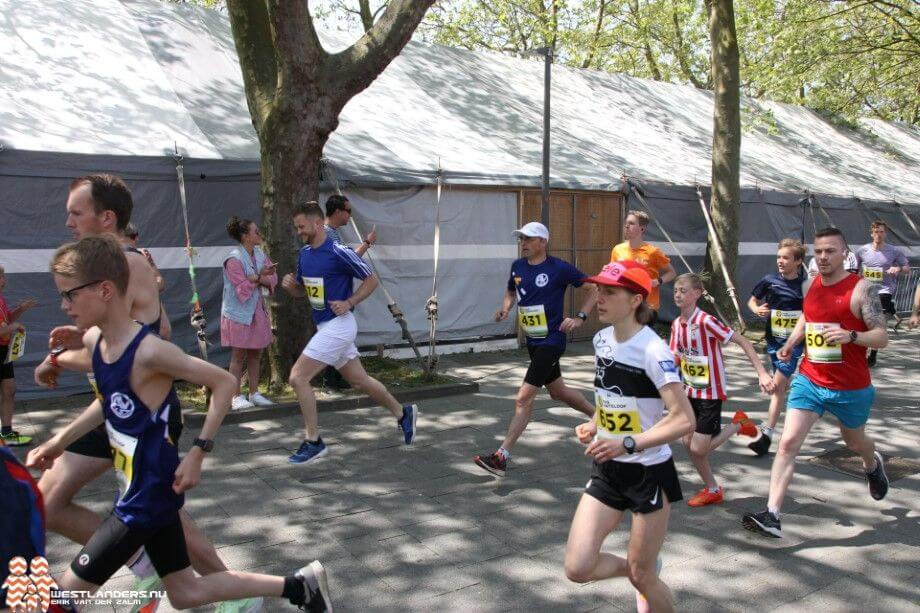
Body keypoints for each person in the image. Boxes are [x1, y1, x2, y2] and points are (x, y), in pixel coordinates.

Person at [26, 236, 332, 611]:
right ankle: (301, 587)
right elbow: (111, 401)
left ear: (104, 290)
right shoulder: (96, 341)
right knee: (185, 591)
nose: (64, 305)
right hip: (137, 489)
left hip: (145, 498)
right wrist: (58, 437)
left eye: (69, 295)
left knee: (60, 598)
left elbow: (225, 382)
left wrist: (199, 452)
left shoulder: (151, 352)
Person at [32, 174, 251, 612]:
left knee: (153, 511)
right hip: (116, 404)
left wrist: (61, 357)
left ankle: (224, 591)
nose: (69, 221)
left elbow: (139, 341)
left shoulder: (125, 265)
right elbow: (154, 330)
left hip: (136, 411)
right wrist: (78, 343)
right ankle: (172, 575)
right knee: (151, 513)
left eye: (77, 212)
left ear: (105, 216)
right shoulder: (110, 265)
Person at [563, 261, 694, 613]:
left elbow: (684, 420)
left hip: (648, 472)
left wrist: (628, 442)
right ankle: (642, 572)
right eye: (598, 290)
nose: (599, 298)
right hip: (607, 468)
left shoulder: (654, 351)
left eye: (609, 292)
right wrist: (597, 423)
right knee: (577, 567)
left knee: (642, 576)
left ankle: (644, 576)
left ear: (636, 299)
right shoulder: (601, 339)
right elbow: (618, 397)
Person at [743, 227, 889, 538]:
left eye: (830, 251)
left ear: (845, 254)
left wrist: (852, 336)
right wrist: (791, 342)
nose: (822, 257)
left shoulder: (862, 289)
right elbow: (807, 317)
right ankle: (772, 514)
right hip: (810, 378)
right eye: (818, 251)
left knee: (854, 442)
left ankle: (871, 464)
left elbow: (882, 336)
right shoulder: (810, 285)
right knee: (787, 444)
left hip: (850, 386)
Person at [281, 202, 417, 464]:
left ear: (318, 223)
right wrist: (291, 287)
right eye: (296, 227)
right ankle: (403, 413)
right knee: (359, 381)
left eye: (301, 226)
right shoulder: (305, 255)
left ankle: (313, 441)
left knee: (298, 378)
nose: (299, 232)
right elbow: (303, 291)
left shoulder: (338, 252)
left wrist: (350, 302)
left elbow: (372, 279)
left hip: (339, 325)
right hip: (326, 326)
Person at [473, 222, 597, 477]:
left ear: (543, 241)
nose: (523, 243)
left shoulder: (559, 268)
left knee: (523, 398)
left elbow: (594, 288)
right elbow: (511, 290)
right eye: (521, 239)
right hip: (534, 341)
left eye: (528, 239)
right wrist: (506, 308)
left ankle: (501, 457)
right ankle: (603, 418)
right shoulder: (517, 267)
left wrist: (581, 317)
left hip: (552, 342)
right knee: (558, 392)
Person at [670, 273, 773, 507]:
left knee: (698, 447)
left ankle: (738, 424)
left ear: (697, 293)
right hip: (689, 391)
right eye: (675, 290)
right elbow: (675, 356)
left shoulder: (706, 321)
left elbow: (743, 341)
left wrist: (762, 372)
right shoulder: (677, 324)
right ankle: (713, 488)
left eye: (683, 290)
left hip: (710, 393)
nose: (677, 294)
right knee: (688, 443)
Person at [746, 239, 806, 456]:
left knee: (777, 386)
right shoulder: (769, 280)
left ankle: (766, 434)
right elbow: (751, 301)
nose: (781, 261)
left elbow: (810, 315)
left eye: (786, 257)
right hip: (773, 342)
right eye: (779, 257)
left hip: (794, 345)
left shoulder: (804, 286)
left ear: (798, 261)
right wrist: (757, 310)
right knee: (780, 390)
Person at [222, 216, 277, 410]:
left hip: (257, 310)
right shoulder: (233, 259)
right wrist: (259, 278)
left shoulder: (261, 253)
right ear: (246, 236)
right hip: (238, 313)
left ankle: (254, 393)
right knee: (238, 355)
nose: (259, 234)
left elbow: (272, 278)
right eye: (256, 231)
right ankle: (235, 396)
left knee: (256, 352)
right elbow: (241, 288)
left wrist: (259, 277)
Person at [322, 195, 376, 392]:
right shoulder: (327, 235)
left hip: (337, 292)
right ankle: (329, 381)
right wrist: (367, 243)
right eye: (348, 211)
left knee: (340, 337)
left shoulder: (331, 233)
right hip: (333, 294)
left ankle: (337, 377)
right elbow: (349, 260)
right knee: (332, 336)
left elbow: (348, 260)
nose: (349, 215)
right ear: (337, 212)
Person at [855, 220, 908, 366]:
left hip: (884, 290)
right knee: (863, 321)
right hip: (865, 289)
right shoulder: (862, 250)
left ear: (886, 233)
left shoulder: (894, 251)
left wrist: (898, 269)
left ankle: (873, 353)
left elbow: (906, 267)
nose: (878, 234)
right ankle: (861, 350)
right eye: (876, 232)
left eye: (881, 232)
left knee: (877, 322)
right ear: (872, 233)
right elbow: (854, 268)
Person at [610, 211, 676, 317]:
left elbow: (671, 273)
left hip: (647, 306)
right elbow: (612, 275)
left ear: (642, 229)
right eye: (626, 223)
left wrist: (657, 281)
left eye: (631, 223)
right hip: (624, 304)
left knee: (642, 334)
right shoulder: (617, 249)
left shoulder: (653, 252)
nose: (626, 226)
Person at [0, 265, 37, 446]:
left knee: (9, 390)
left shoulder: (0, 298)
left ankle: (6, 432)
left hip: (4, 351)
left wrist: (21, 309)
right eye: (2, 277)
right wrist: (13, 328)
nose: (4, 280)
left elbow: (7, 320)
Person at [124, 222, 164, 293]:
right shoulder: (140, 257)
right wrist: (151, 262)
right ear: (136, 238)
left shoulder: (106, 256)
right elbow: (159, 285)